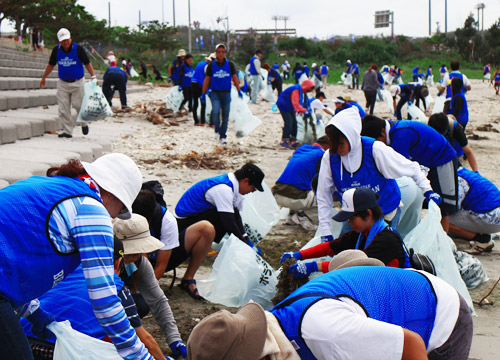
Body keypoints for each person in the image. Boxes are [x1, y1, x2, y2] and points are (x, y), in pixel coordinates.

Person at [0, 153, 155, 360]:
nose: (114, 216)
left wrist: (33, 311)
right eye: (121, 209)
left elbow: (17, 258)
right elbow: (104, 299)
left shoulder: (55, 187)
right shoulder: (91, 208)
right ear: (113, 193)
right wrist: (138, 355)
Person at [187, 251, 473, 360]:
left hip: (438, 316)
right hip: (382, 308)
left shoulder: (327, 333)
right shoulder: (278, 328)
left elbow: (411, 347)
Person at [20, 239, 169, 360]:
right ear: (118, 263)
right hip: (59, 350)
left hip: (21, 340)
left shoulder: (65, 269)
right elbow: (144, 341)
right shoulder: (115, 287)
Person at [317, 108, 438, 241]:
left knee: (378, 252)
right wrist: (325, 231)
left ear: (351, 137)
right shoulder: (330, 158)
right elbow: (324, 195)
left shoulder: (375, 150)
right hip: (354, 215)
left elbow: (412, 168)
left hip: (385, 210)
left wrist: (428, 190)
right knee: (344, 251)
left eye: (340, 143)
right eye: (333, 144)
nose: (337, 149)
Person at [281, 188, 410, 280]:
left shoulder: (387, 239)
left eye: (352, 217)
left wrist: (313, 266)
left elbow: (356, 265)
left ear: (368, 214)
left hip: (398, 287)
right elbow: (331, 246)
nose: (349, 222)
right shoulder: (361, 234)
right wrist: (299, 254)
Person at [361, 116, 457, 232]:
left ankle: (442, 241)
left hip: (442, 159)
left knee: (442, 205)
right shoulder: (392, 128)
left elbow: (400, 171)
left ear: (382, 132)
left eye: (377, 141)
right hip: (426, 161)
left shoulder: (400, 136)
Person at [114, 214, 187, 359]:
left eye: (139, 251)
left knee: (141, 303)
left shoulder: (139, 262)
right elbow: (147, 341)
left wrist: (174, 338)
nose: (137, 256)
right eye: (132, 252)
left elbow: (158, 300)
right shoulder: (100, 269)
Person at [132, 190, 215, 300]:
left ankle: (188, 279)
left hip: (160, 257)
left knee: (206, 228)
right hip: (133, 258)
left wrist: (147, 291)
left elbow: (162, 264)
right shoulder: (125, 214)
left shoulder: (166, 220)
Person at [174, 163, 265, 253]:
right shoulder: (223, 189)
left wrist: (246, 238)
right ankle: (199, 247)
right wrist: (244, 245)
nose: (253, 191)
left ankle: (205, 245)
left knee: (230, 215)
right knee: (224, 218)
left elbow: (236, 215)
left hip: (196, 216)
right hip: (183, 224)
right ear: (245, 181)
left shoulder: (231, 184)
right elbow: (229, 224)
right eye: (254, 188)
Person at [40, 28, 96, 138]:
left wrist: (93, 76)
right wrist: (44, 78)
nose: (65, 43)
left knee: (78, 105)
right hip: (63, 83)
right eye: (62, 41)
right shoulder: (56, 50)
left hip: (78, 82)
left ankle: (84, 123)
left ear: (70, 38)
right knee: (63, 108)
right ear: (59, 41)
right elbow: (51, 65)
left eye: (67, 40)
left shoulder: (78, 49)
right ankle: (67, 131)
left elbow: (87, 63)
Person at [272, 136, 330, 230]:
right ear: (328, 146)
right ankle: (305, 216)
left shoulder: (301, 148)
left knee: (300, 181)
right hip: (296, 198)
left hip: (278, 194)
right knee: (329, 194)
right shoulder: (323, 155)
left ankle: (292, 215)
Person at [449, 167, 499, 254]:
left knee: (442, 219)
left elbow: (453, 209)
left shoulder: (457, 179)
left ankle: (482, 240)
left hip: (490, 219)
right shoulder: (466, 173)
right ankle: (481, 234)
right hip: (495, 216)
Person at [202, 43, 242, 144]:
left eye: (223, 52)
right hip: (215, 93)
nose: (220, 54)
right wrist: (203, 92)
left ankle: (223, 135)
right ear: (216, 53)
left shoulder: (230, 64)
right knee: (215, 112)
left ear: (225, 53)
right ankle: (216, 130)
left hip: (226, 93)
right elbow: (207, 79)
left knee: (225, 115)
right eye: (218, 52)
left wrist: (239, 90)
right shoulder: (211, 66)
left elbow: (235, 77)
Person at [276, 79, 315, 149]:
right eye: (309, 90)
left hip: (290, 107)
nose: (309, 91)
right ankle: (284, 140)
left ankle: (293, 140)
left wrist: (308, 110)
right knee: (289, 122)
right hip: (283, 105)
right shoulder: (296, 90)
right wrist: (304, 111)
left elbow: (305, 103)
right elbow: (296, 104)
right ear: (306, 87)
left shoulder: (301, 91)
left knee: (295, 123)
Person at [191, 53, 214, 126]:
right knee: (203, 103)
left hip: (193, 83)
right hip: (200, 85)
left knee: (195, 103)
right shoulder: (207, 66)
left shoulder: (200, 63)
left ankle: (196, 121)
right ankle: (202, 122)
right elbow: (207, 77)